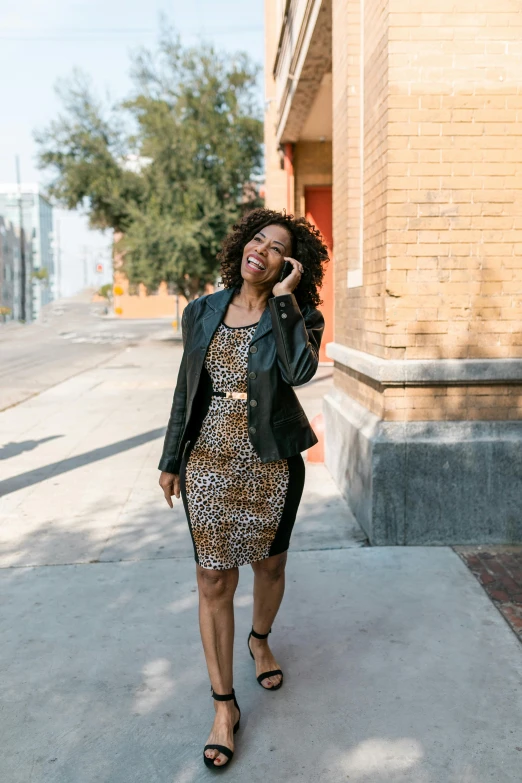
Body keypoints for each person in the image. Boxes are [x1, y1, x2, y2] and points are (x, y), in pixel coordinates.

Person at [158, 208, 329, 770]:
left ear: (290, 264)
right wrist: (170, 457)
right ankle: (224, 706)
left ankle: (260, 638)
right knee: (213, 579)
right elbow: (187, 386)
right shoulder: (202, 310)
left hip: (271, 460)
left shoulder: (300, 314)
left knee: (270, 568)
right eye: (257, 238)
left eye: (277, 247)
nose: (262, 249)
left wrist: (285, 299)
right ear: (241, 245)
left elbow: (300, 372)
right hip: (207, 456)